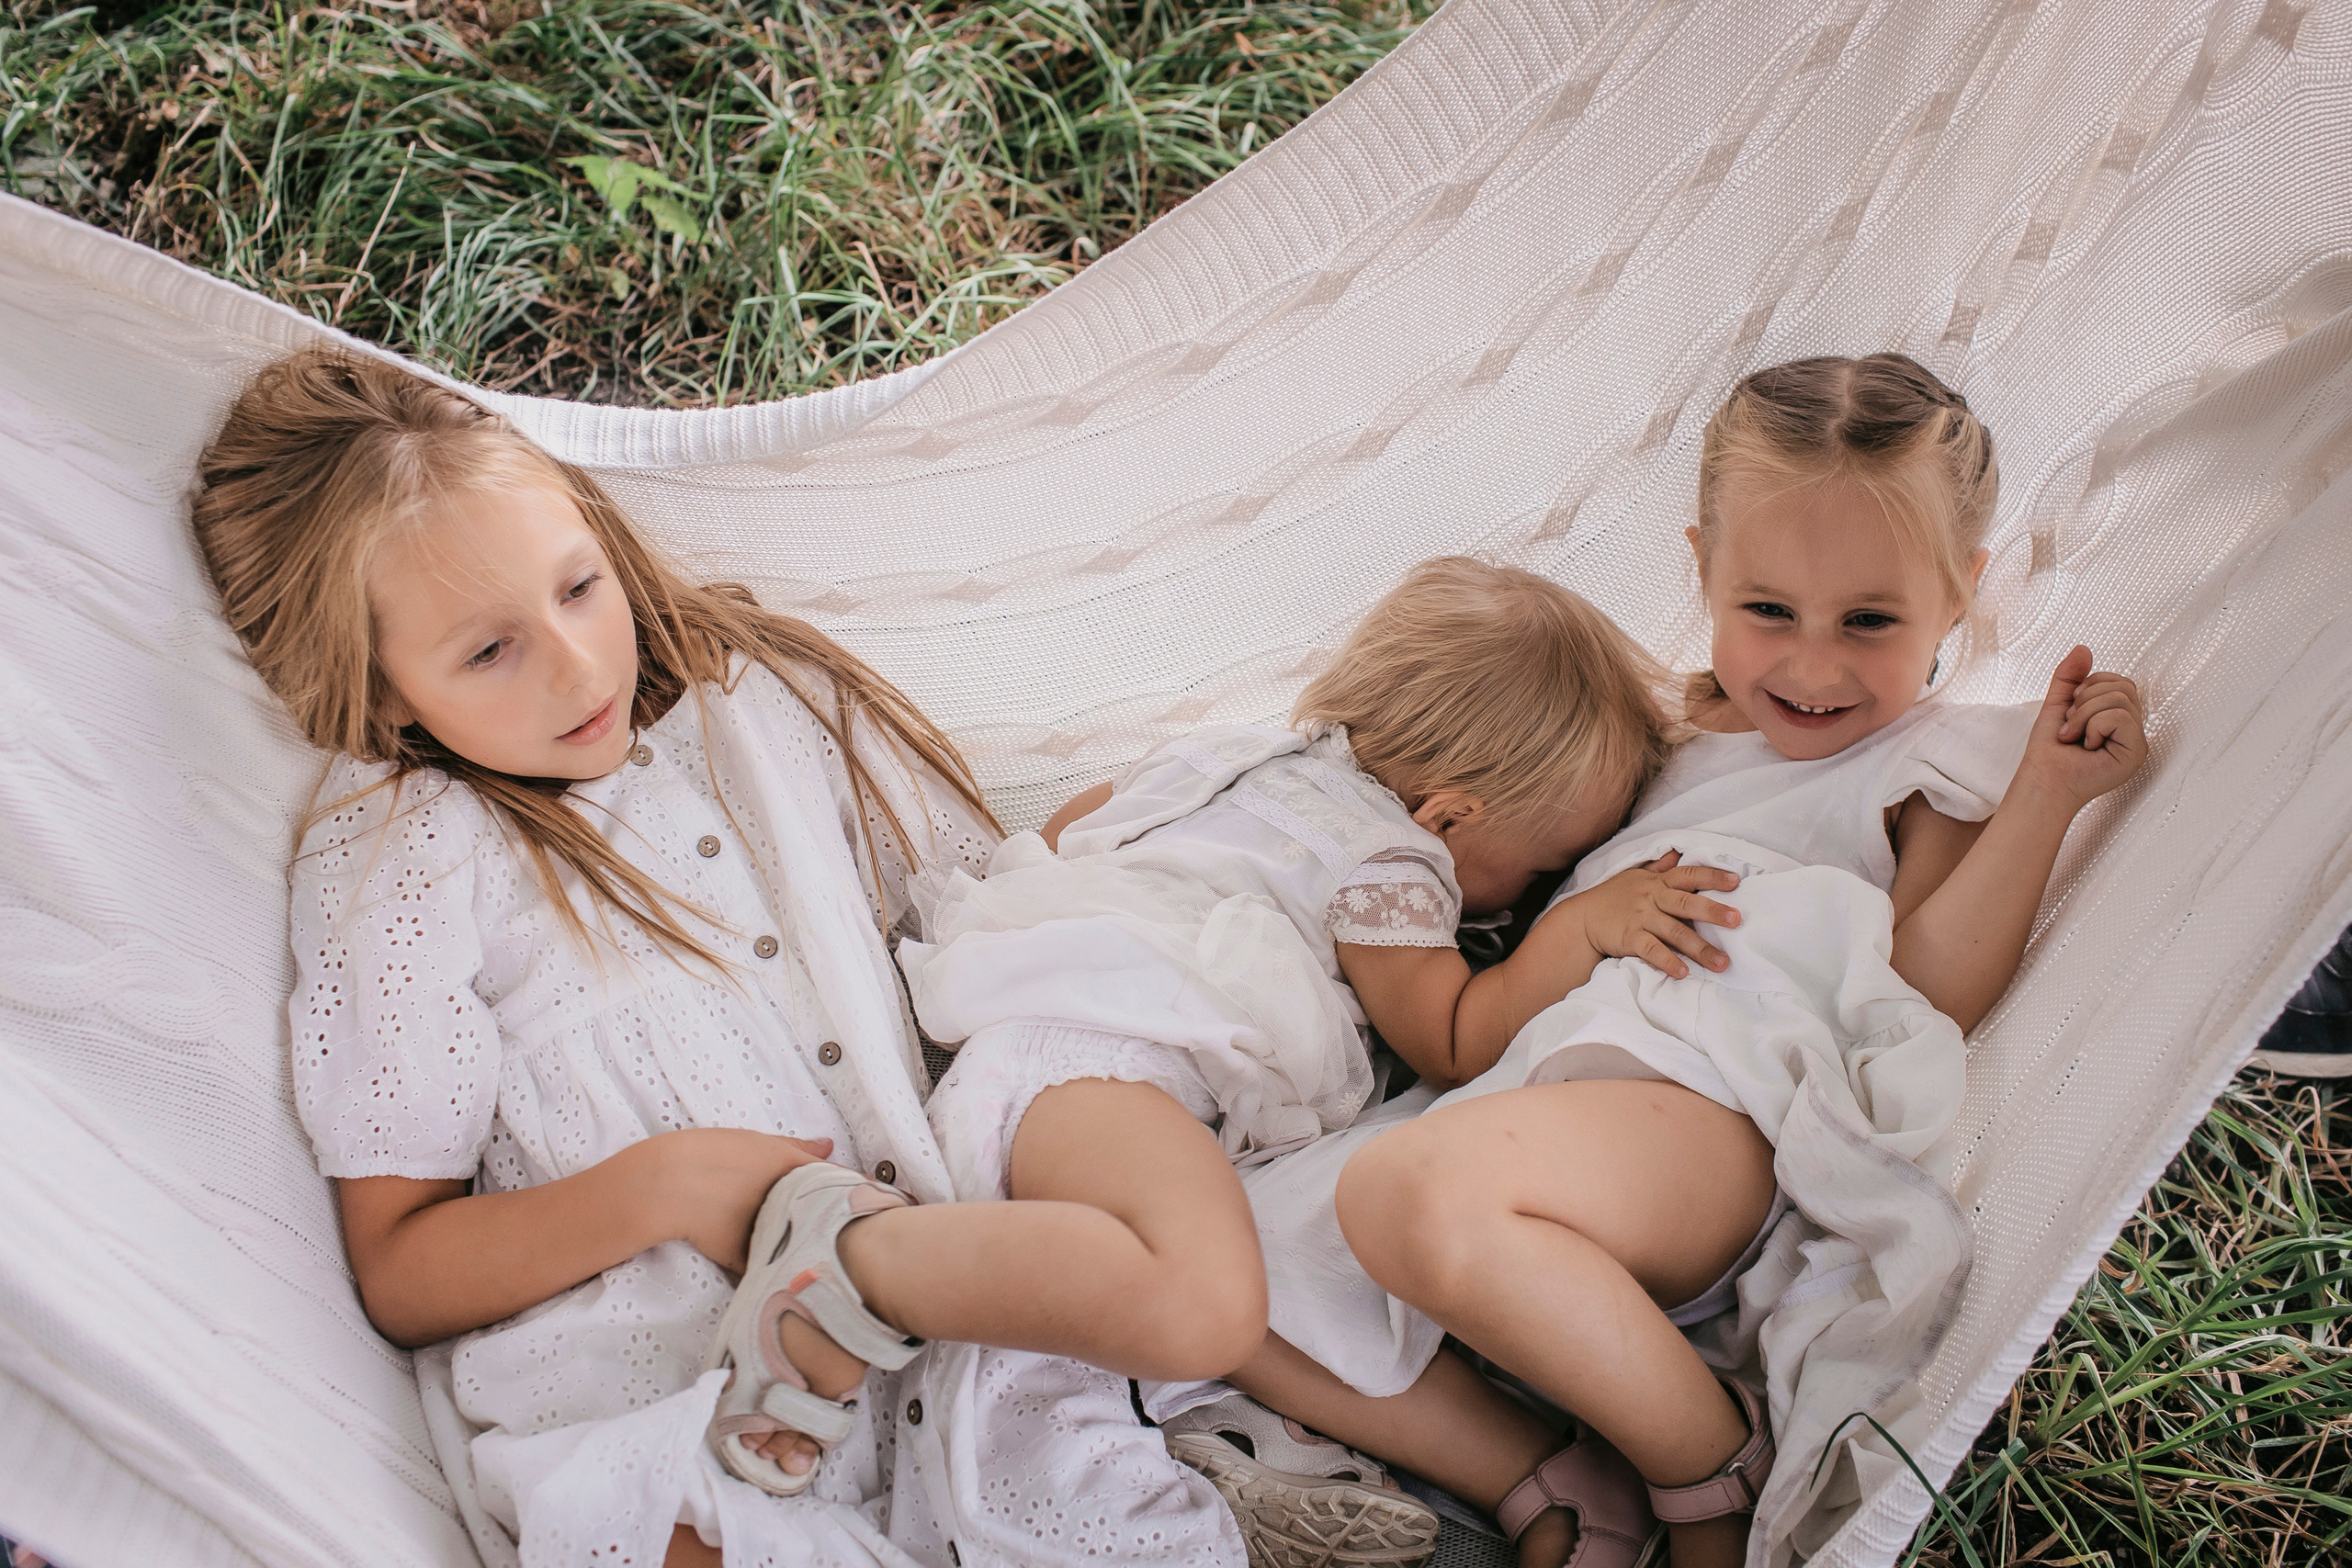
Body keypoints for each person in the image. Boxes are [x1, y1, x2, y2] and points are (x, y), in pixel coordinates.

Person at [196, 347, 1256, 1568]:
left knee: (1175, 1338)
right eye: (489, 652)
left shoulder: (758, 698)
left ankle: (896, 1298)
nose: (578, 664)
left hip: (943, 1320)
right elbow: (399, 1266)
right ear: (383, 694)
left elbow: (965, 927)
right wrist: (664, 1188)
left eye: (578, 587)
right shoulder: (404, 854)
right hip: (656, 1386)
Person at [1318, 354, 2148, 1568]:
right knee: (1236, 1257)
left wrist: (2047, 796)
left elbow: (1924, 989)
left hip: (1708, 1110)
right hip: (1536, 1095)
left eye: (1869, 621)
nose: (1811, 668)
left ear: (1958, 594)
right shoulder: (1644, 726)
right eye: (1767, 610)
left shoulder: (1931, 765)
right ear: (1702, 567)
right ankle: (1554, 1477)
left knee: (1403, 1193)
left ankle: (1708, 1467)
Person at [897, 557, 1744, 1568]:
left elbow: (1071, 826)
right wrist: (1577, 932)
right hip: (1104, 1066)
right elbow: (1454, 1036)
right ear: (1448, 816)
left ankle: (1266, 1442)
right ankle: (864, 1260)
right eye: (1540, 867)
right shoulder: (1389, 863)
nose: (1529, 897)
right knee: (1202, 1289)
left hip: (1037, 1038)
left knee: (1182, 1289)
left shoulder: (1233, 754)